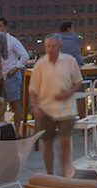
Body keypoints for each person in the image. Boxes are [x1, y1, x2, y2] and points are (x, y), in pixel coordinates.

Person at [29, 34, 83, 177]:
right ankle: (50, 174)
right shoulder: (40, 64)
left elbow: (78, 81)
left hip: (66, 108)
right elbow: (33, 90)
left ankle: (65, 171)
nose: (50, 49)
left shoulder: (70, 61)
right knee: (47, 142)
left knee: (65, 140)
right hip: (46, 109)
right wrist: (35, 107)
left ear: (60, 47)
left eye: (53, 46)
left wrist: (68, 93)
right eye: (47, 46)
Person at [0, 17, 29, 134]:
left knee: (14, 105)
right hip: (0, 77)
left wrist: (16, 68)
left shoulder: (12, 41)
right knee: (0, 107)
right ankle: (3, 132)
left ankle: (17, 132)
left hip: (11, 77)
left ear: (5, 27)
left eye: (0, 26)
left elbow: (24, 56)